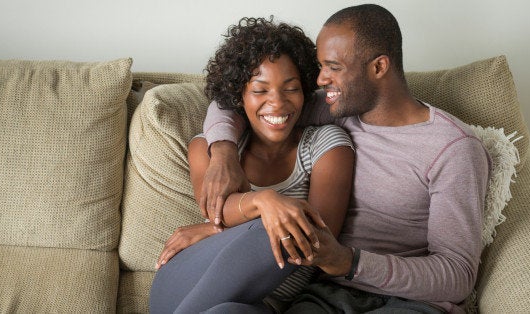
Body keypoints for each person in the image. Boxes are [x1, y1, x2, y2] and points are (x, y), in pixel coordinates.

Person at [201, 4, 490, 313]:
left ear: (378, 67)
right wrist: (223, 154)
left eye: (333, 67)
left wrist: (349, 262)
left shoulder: (453, 149)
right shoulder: (336, 110)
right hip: (323, 297)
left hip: (411, 303)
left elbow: (458, 276)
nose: (321, 79)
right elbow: (230, 102)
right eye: (320, 66)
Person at [149, 17, 355, 313]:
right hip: (185, 280)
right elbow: (217, 211)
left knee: (289, 226)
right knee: (277, 221)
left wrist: (214, 229)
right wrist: (264, 201)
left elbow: (319, 239)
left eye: (291, 88)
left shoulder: (327, 145)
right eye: (260, 90)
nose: (278, 103)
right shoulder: (206, 148)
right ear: (238, 96)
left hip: (265, 304)